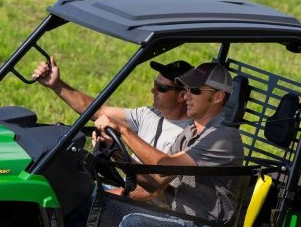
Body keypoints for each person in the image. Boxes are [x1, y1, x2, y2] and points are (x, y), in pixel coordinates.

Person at [94, 62, 244, 227]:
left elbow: (164, 166)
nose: (186, 96)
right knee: (92, 196)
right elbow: (156, 181)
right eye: (186, 89)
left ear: (218, 97)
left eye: (195, 90)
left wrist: (123, 130)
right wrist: (116, 152)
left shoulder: (221, 137)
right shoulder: (190, 131)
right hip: (177, 217)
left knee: (134, 224)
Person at [32, 57, 194, 154]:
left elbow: (157, 185)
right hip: (128, 191)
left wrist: (119, 139)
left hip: (146, 206)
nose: (153, 90)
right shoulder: (149, 114)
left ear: (182, 95)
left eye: (161, 88)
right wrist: (57, 85)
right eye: (155, 84)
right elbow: (98, 111)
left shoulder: (189, 136)